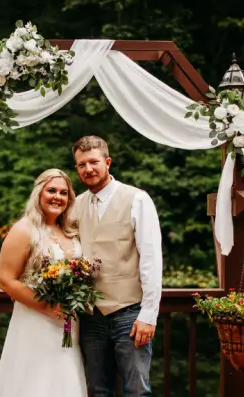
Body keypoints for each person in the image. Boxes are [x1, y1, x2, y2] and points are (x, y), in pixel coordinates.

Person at [72, 135, 163, 397]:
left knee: (137, 391)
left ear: (107, 162)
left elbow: (151, 260)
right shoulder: (76, 205)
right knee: (97, 391)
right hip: (91, 316)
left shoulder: (138, 199)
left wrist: (148, 314)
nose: (88, 169)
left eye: (93, 162)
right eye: (81, 165)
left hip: (130, 313)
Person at [0, 168, 87, 397]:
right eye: (51, 190)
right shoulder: (24, 230)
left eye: (64, 193)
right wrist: (48, 307)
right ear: (39, 193)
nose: (58, 197)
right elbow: (5, 280)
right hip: (35, 321)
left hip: (68, 323)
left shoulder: (71, 231)